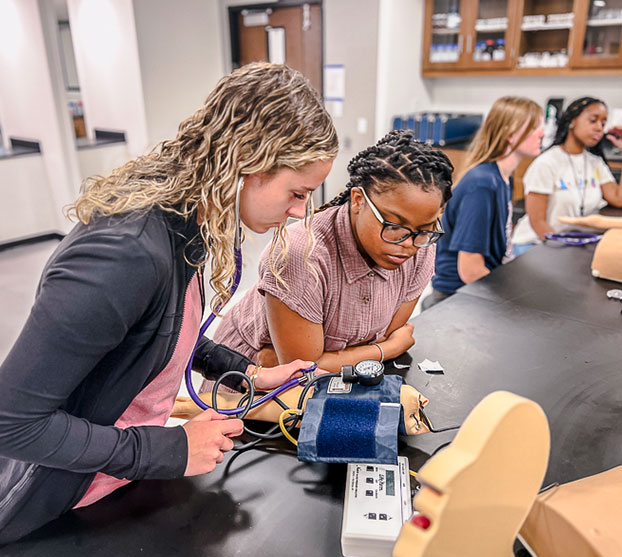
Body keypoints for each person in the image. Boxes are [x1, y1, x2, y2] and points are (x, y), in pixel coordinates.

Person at [0, 62, 338, 544]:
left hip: (116, 476)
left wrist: (245, 372)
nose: (301, 210)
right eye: (298, 192)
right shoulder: (125, 253)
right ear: (247, 160)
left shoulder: (189, 217)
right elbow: (13, 423)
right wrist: (170, 449)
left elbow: (162, 328)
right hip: (57, 499)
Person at [204, 130, 453, 373]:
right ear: (358, 201)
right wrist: (386, 351)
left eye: (425, 229)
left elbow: (380, 337)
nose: (408, 244)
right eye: (394, 226)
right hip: (246, 381)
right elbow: (302, 370)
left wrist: (329, 359)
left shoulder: (421, 246)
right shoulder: (299, 256)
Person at [423, 96, 544, 309]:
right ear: (510, 133)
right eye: (534, 127)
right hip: (457, 301)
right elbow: (470, 270)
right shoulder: (482, 184)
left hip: (479, 291)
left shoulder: (503, 177)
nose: (542, 133)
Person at [512, 96, 622, 254]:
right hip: (536, 243)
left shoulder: (595, 163)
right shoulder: (547, 163)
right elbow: (538, 223)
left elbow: (618, 198)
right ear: (572, 121)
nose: (599, 128)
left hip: (572, 243)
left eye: (603, 123)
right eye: (593, 120)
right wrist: (564, 251)